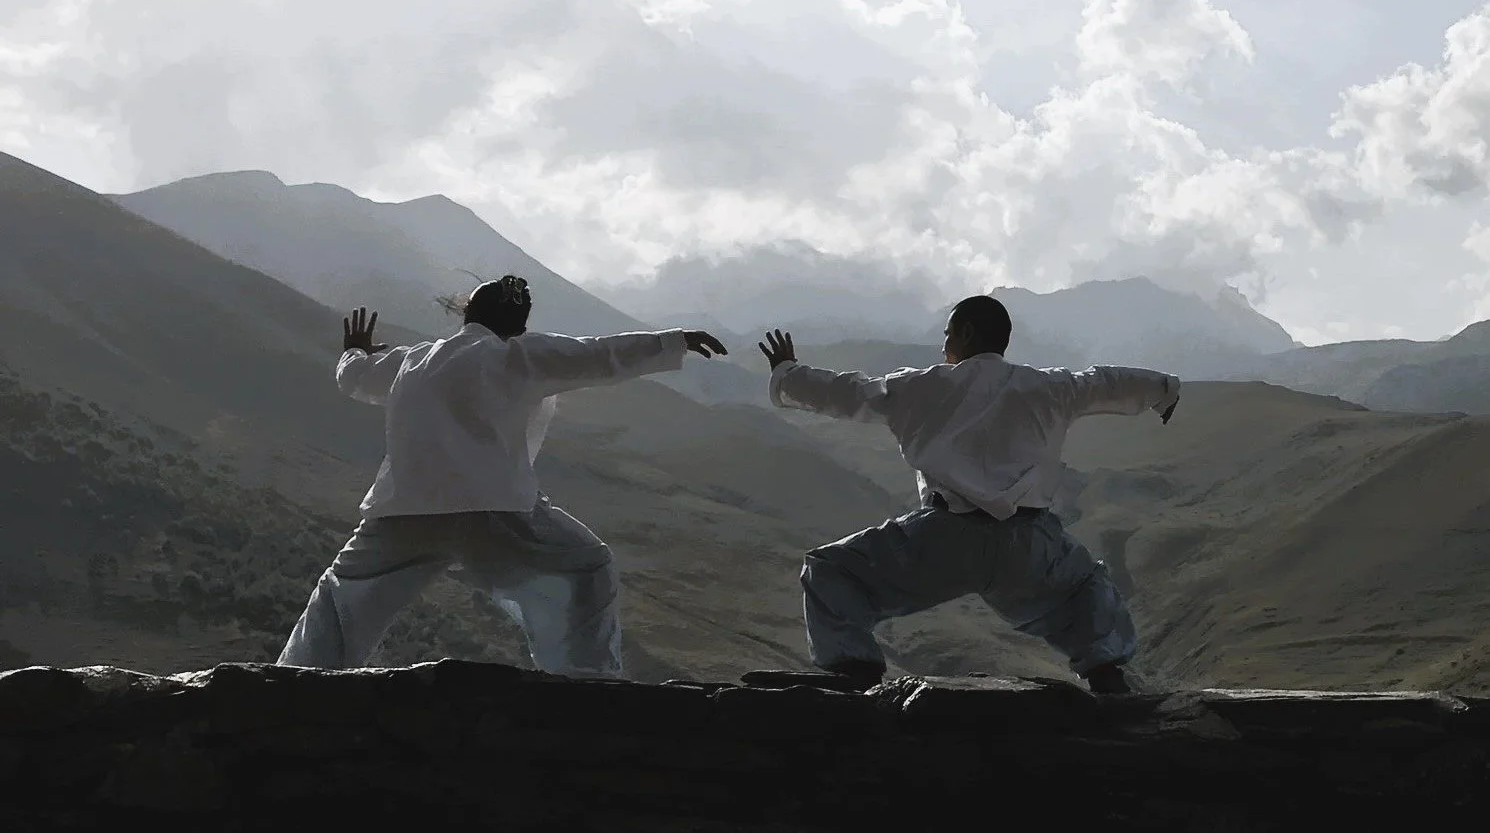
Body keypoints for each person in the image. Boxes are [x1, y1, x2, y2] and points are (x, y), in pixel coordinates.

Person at [277, 275, 728, 678]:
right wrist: (673, 342)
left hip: (402, 510)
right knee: (588, 567)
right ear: (519, 326)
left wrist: (354, 351)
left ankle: (296, 680)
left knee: (342, 594)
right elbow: (598, 354)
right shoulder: (519, 355)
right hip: (497, 510)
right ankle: (586, 678)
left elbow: (355, 378)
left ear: (466, 314)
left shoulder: (410, 361)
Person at [757, 294, 1179, 695]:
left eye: (948, 333)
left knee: (830, 569)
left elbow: (849, 393)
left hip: (942, 540)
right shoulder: (1051, 386)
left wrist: (788, 373)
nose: (943, 345)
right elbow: (1106, 381)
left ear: (967, 333)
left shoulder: (921, 386)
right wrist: (1165, 390)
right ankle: (1105, 670)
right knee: (1087, 584)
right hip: (1029, 547)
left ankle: (854, 668)